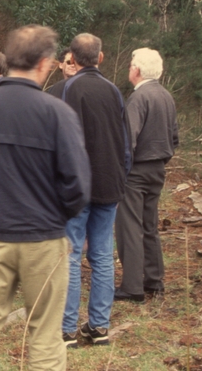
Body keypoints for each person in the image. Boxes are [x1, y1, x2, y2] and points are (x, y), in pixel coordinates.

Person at [0, 25, 91, 371]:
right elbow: (78, 186)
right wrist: (56, 216)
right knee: (44, 334)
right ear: (44, 64)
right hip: (44, 241)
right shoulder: (57, 112)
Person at [54, 33, 130, 348]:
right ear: (100, 57)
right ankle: (99, 327)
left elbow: (64, 142)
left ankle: (68, 330)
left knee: (72, 256)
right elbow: (126, 145)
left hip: (80, 187)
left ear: (72, 57)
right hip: (109, 184)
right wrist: (120, 176)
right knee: (101, 255)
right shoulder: (114, 91)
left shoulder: (70, 89)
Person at [114, 48, 178, 301]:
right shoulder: (166, 96)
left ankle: (132, 287)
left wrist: (122, 171)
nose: (129, 69)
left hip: (137, 170)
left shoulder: (138, 98)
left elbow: (128, 139)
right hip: (158, 168)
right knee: (149, 226)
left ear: (137, 70)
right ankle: (154, 280)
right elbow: (174, 137)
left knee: (129, 227)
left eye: (131, 65)